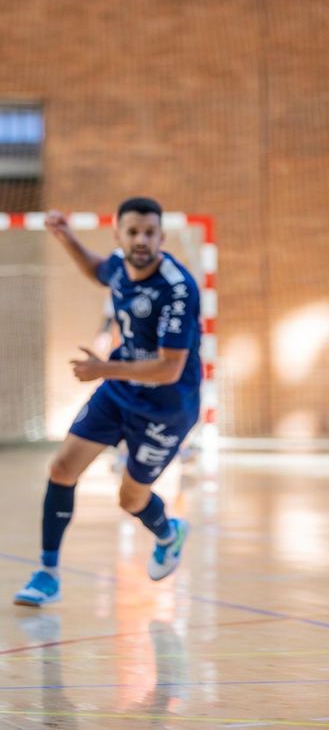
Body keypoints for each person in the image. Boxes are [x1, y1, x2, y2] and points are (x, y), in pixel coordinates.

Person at [14, 198, 201, 607]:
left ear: (161, 237)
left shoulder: (177, 288)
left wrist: (102, 370)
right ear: (119, 235)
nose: (141, 240)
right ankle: (47, 573)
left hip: (165, 408)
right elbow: (99, 270)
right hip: (119, 391)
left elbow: (170, 369)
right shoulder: (119, 264)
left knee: (130, 499)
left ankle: (169, 533)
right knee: (62, 468)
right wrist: (67, 239)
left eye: (149, 233)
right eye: (132, 232)